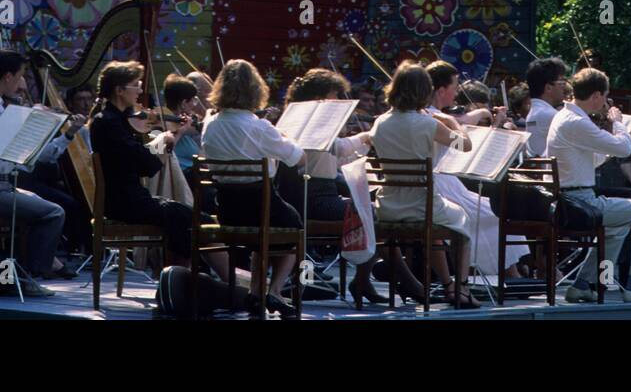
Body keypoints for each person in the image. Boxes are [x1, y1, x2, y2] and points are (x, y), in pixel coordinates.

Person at [546, 67, 631, 303]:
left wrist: (608, 143)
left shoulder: (566, 117)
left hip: (571, 199)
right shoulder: (577, 121)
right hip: (578, 202)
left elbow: (592, 160)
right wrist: (618, 124)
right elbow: (623, 148)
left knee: (618, 227)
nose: (604, 104)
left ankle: (583, 284)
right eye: (605, 97)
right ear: (597, 95)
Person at [200, 59, 305, 319]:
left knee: (269, 231)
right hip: (261, 206)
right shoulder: (258, 127)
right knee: (295, 227)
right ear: (255, 90)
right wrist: (285, 138)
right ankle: (277, 290)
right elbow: (298, 158)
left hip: (227, 210)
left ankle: (257, 292)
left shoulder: (210, 125)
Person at [370, 63, 479, 309]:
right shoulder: (428, 123)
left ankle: (448, 284)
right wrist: (452, 121)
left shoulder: (380, 122)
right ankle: (460, 288)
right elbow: (466, 145)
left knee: (446, 222)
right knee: (462, 219)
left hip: (388, 205)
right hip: (421, 205)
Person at [0, 50, 67, 294]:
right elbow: (23, 131)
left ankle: (17, 274)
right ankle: (26, 277)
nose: (22, 83)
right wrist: (44, 118)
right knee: (53, 213)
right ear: (8, 76)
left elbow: (27, 151)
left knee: (50, 207)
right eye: (21, 76)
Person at [274, 67, 381, 305]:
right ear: (320, 96)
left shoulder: (292, 118)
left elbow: (335, 159)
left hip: (299, 195)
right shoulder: (315, 121)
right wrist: (367, 137)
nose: (337, 101)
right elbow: (339, 149)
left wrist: (360, 143)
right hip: (315, 199)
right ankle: (361, 281)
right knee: (369, 212)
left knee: (365, 207)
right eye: (334, 95)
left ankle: (359, 281)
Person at [89, 60, 195, 267]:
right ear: (120, 90)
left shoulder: (116, 120)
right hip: (124, 203)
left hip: (130, 198)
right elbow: (148, 165)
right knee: (185, 216)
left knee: (193, 216)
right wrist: (164, 141)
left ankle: (179, 277)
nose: (139, 91)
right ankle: (178, 278)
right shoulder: (109, 123)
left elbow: (141, 159)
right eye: (135, 85)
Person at [426, 61, 524, 280]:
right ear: (441, 90)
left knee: (491, 210)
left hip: (446, 182)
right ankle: (502, 272)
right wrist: (482, 112)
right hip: (439, 184)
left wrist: (492, 122)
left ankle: (509, 271)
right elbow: (460, 127)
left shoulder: (437, 114)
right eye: (454, 87)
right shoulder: (432, 115)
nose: (456, 92)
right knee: (489, 214)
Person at [525, 56, 568, 157]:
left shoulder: (536, 111)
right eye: (561, 82)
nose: (564, 87)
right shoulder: (549, 114)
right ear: (548, 88)